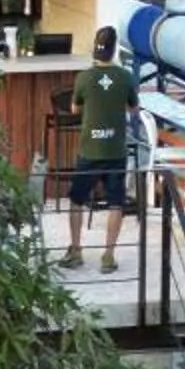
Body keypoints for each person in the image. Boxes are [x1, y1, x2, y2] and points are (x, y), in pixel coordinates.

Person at [61, 27, 138, 276]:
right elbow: (133, 109)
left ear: (95, 46)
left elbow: (74, 109)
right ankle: (108, 255)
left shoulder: (84, 78)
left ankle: (76, 250)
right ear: (115, 49)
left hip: (89, 150)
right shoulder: (125, 77)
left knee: (77, 200)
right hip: (115, 149)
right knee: (116, 202)